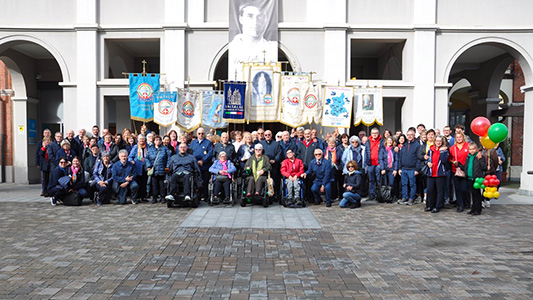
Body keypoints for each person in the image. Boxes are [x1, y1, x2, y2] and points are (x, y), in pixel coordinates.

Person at [229, 2, 277, 79]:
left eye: (260, 16)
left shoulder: (272, 48)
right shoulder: (232, 48)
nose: (255, 22)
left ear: (266, 19)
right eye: (250, 16)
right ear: (241, 19)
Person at [424, 135, 449, 213]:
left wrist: (441, 151)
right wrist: (427, 163)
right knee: (430, 190)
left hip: (440, 173)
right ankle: (430, 205)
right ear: (434, 141)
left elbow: (444, 160)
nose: (438, 142)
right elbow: (426, 159)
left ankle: (438, 206)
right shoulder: (431, 149)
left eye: (440, 141)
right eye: (437, 141)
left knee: (439, 191)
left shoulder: (445, 150)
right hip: (431, 172)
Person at [397, 128, 421, 206]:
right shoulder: (404, 145)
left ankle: (411, 198)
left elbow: (419, 158)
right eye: (408, 135)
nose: (409, 136)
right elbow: (400, 157)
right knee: (404, 184)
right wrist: (400, 168)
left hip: (412, 169)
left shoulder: (417, 145)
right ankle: (405, 197)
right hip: (404, 168)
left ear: (414, 135)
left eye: (411, 135)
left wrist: (417, 169)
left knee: (412, 184)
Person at [296, 129, 320, 202]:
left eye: (308, 134)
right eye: (305, 134)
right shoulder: (301, 144)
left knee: (311, 182)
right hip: (303, 167)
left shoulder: (315, 144)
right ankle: (304, 196)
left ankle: (311, 197)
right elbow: (298, 154)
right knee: (304, 182)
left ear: (311, 135)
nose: (307, 135)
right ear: (304, 135)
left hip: (311, 167)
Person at [146, 135, 171, 204]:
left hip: (162, 169)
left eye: (159, 140)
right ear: (154, 141)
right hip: (154, 170)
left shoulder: (165, 148)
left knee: (162, 184)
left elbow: (169, 158)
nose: (158, 141)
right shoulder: (150, 149)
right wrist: (148, 166)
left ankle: (163, 197)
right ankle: (154, 197)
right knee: (154, 184)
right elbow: (147, 158)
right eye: (156, 140)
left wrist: (167, 166)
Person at [449, 132, 470, 212]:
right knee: (457, 189)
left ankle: (465, 202)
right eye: (457, 137)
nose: (458, 138)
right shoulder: (452, 148)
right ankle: (460, 204)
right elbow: (449, 158)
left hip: (466, 170)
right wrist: (453, 162)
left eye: (460, 137)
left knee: (464, 188)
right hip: (456, 171)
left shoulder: (467, 145)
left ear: (463, 137)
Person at [190, 127, 213, 199]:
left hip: (205, 165)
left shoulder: (208, 142)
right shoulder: (193, 142)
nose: (200, 135)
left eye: (202, 133)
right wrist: (195, 161)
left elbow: (210, 153)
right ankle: (198, 196)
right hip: (195, 165)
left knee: (205, 181)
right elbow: (190, 153)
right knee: (196, 181)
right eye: (199, 133)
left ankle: (205, 196)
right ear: (197, 134)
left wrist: (203, 160)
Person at [464, 143, 486, 215]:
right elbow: (466, 166)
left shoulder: (479, 157)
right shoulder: (468, 157)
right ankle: (473, 208)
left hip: (476, 179)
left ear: (476, 149)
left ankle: (478, 209)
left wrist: (484, 162)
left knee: (477, 195)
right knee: (472, 195)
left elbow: (483, 167)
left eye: (473, 149)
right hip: (469, 178)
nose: (472, 151)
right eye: (470, 149)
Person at [260, 130, 282, 199]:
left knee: (274, 179)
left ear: (271, 135)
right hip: (264, 165)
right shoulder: (261, 143)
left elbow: (279, 153)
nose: (267, 136)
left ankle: (275, 194)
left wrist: (275, 160)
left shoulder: (276, 144)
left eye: (269, 135)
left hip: (274, 165)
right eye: (266, 135)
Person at [128, 134, 149, 203]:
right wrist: (132, 161)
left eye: (143, 139)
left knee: (144, 182)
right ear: (138, 140)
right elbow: (130, 156)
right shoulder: (135, 147)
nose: (141, 140)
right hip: (138, 167)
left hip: (145, 167)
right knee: (138, 182)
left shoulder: (148, 147)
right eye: (140, 139)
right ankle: (138, 197)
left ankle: (143, 196)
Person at [365, 127, 382, 200]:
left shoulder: (382, 141)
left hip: (378, 164)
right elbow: (366, 152)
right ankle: (371, 195)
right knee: (371, 180)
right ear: (371, 134)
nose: (374, 135)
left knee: (379, 180)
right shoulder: (368, 141)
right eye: (373, 133)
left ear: (378, 134)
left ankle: (379, 195)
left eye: (376, 133)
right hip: (370, 164)